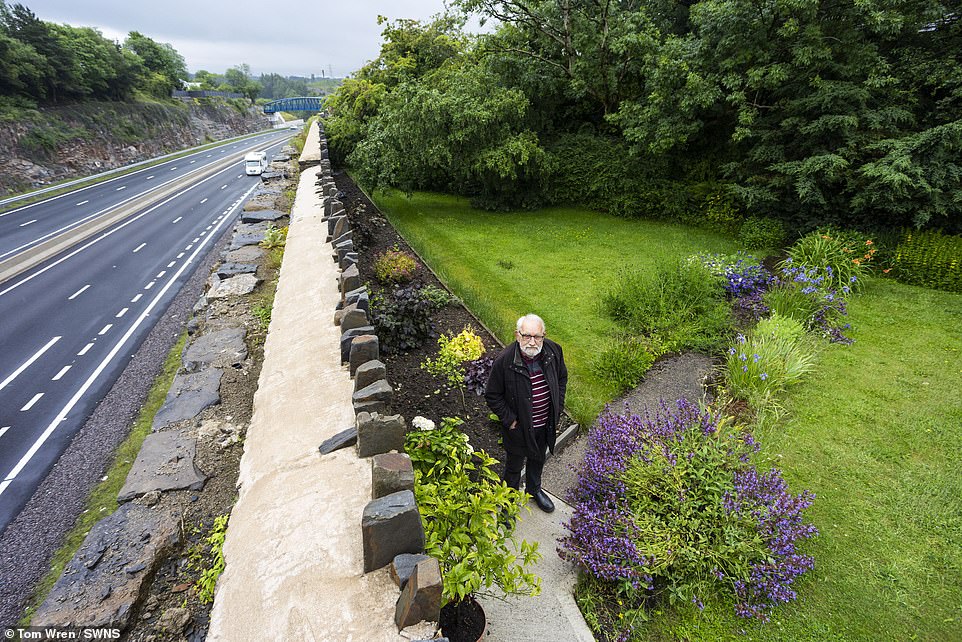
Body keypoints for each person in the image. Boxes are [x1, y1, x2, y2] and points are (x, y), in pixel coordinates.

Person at [484, 313, 567, 513]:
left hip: (544, 423)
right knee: (513, 467)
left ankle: (534, 490)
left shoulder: (553, 352)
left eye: (537, 336)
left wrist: (558, 407)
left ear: (544, 335)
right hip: (519, 429)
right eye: (526, 336)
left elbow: (562, 379)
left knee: (538, 459)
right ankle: (508, 503)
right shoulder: (505, 361)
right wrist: (510, 420)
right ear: (517, 335)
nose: (532, 341)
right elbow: (492, 395)